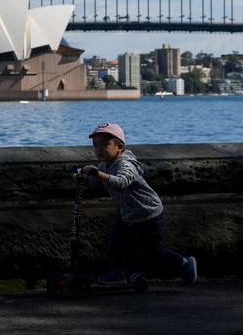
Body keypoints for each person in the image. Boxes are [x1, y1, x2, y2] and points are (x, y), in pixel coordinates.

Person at [81, 122, 197, 286]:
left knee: (153, 251)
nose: (99, 149)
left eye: (105, 144)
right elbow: (98, 183)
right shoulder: (104, 165)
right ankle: (117, 273)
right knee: (116, 241)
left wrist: (98, 174)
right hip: (128, 214)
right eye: (95, 145)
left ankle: (185, 263)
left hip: (147, 212)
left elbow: (121, 182)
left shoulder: (126, 164)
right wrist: (86, 179)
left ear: (119, 147)